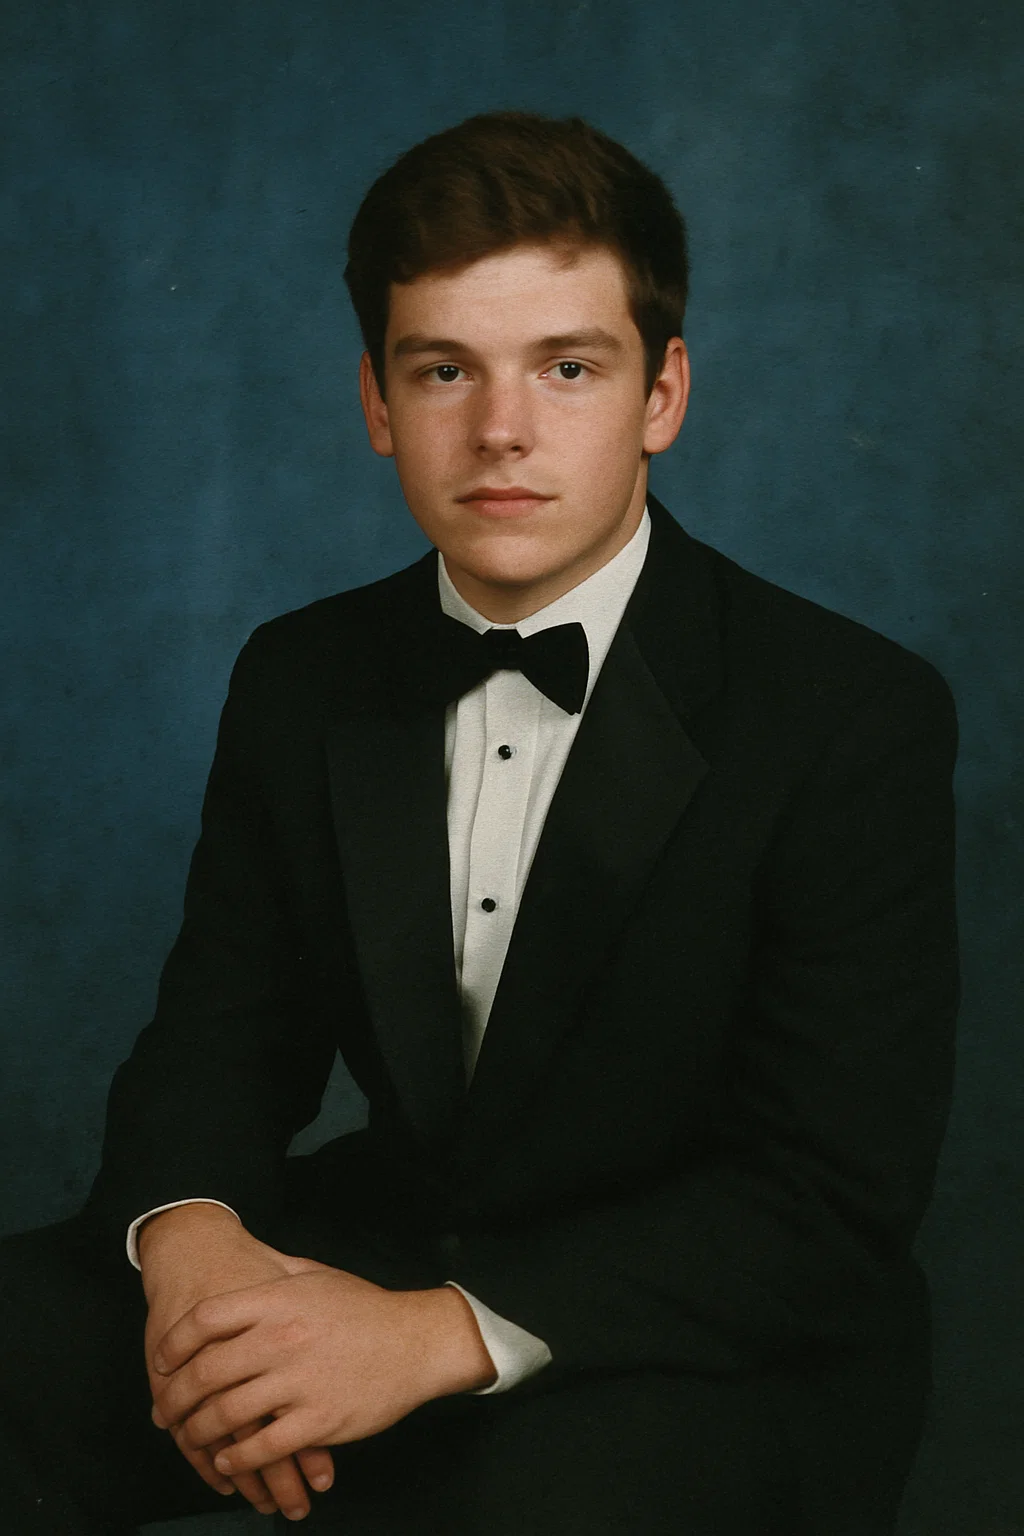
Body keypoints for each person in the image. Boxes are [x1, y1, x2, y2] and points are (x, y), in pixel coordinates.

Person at [0, 111, 959, 1536]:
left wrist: (423, 1338)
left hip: (697, 1334)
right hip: (381, 1248)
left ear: (662, 394)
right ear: (379, 404)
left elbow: (825, 1200)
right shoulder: (304, 674)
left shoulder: (850, 712)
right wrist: (194, 1257)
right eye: (444, 369)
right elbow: (221, 1041)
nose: (500, 430)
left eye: (568, 367)